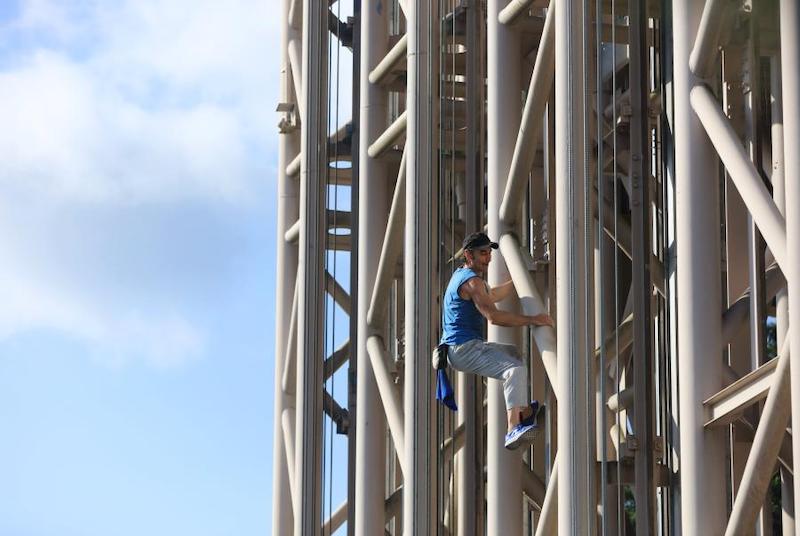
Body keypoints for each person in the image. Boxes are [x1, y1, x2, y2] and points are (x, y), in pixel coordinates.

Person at [440, 231, 553, 450]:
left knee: (513, 354)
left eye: (489, 253)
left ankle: (523, 412)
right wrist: (533, 319)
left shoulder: (464, 276)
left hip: (461, 348)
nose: (488, 258)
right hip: (463, 349)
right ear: (468, 255)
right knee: (514, 370)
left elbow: (493, 295)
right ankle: (513, 428)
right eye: (483, 253)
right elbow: (494, 317)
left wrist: (520, 277)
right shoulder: (471, 282)